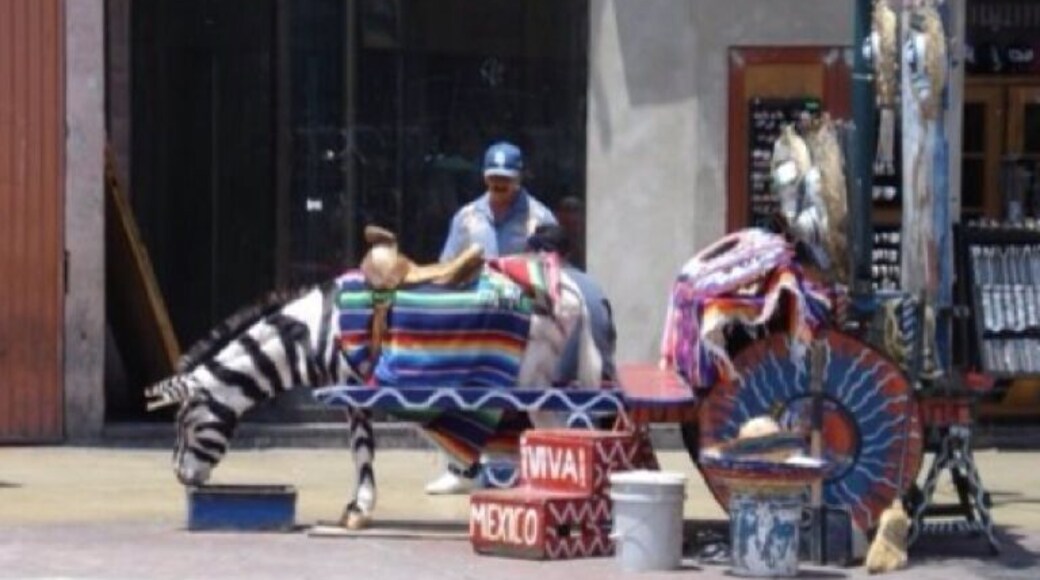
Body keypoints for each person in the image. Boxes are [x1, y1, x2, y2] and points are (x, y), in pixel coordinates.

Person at [423, 141, 558, 495]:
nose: (498, 190)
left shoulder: (539, 219)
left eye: (505, 183)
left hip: (523, 325)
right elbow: (445, 269)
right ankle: (460, 468)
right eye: (493, 182)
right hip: (474, 324)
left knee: (526, 396)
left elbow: (555, 274)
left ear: (520, 179)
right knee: (453, 389)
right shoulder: (467, 218)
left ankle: (531, 468)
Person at [526, 223, 617, 384]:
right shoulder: (594, 287)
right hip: (600, 397)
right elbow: (609, 343)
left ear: (531, 253)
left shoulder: (532, 287)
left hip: (550, 397)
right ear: (567, 254)